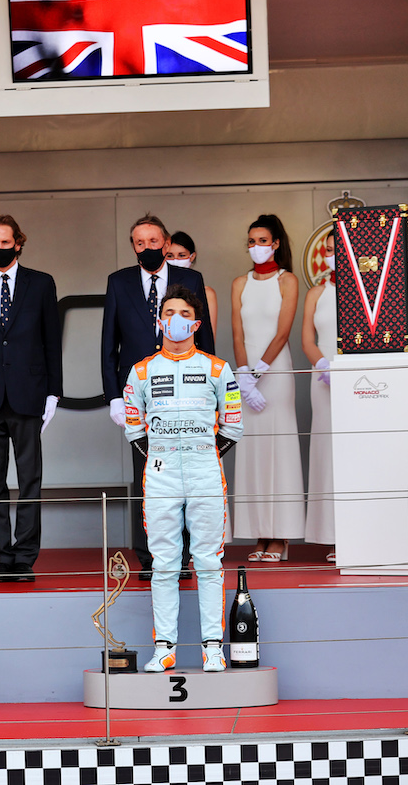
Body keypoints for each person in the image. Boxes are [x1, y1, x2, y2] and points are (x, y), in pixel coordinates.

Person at [124, 286, 243, 673]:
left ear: (196, 321)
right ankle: (164, 649)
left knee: (209, 561)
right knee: (164, 564)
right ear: (159, 321)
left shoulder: (217, 368)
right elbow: (133, 427)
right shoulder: (141, 371)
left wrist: (202, 456)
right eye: (168, 312)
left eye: (183, 312)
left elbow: (233, 424)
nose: (175, 319)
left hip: (205, 470)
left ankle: (213, 647)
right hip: (160, 474)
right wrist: (164, 458)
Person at [102, 214, 214, 578]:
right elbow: (109, 344)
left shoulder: (190, 279)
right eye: (139, 243)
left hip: (186, 393)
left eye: (153, 242)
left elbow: (206, 339)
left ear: (166, 244)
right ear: (133, 246)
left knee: (186, 473)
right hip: (139, 393)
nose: (146, 248)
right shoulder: (118, 282)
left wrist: (210, 391)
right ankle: (151, 557)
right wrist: (114, 396)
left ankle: (182, 557)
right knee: (148, 475)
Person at [0, 215, 63, 583]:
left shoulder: (41, 283)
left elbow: (52, 339)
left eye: (6, 242)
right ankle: (1, 557)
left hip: (29, 392)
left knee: (30, 480)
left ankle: (25, 556)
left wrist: (54, 392)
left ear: (18, 242)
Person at [230, 214, 305, 561]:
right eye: (251, 241)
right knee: (253, 452)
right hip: (247, 379)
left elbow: (283, 332)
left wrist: (258, 373)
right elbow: (237, 333)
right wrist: (243, 376)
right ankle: (259, 533)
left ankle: (281, 536)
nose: (255, 247)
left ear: (275, 243)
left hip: (275, 373)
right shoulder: (239, 283)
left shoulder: (287, 280)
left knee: (279, 449)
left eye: (262, 241)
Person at [301, 230, 337, 561]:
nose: (329, 255)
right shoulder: (316, 292)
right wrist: (322, 365)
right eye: (325, 250)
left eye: (335, 249)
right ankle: (333, 536)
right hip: (323, 378)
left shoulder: (367, 292)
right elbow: (307, 339)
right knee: (327, 451)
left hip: (360, 381)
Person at [167, 231, 219, 337]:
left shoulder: (207, 293)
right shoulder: (158, 289)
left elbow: (209, 336)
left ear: (192, 256)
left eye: (181, 255)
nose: (176, 260)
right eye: (170, 256)